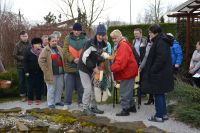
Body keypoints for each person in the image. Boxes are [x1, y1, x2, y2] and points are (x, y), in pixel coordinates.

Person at [141, 24, 174, 122]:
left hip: (159, 74)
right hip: (161, 73)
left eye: (150, 32)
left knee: (158, 94)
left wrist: (152, 70)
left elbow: (161, 59)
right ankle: (163, 114)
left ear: (155, 32)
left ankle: (159, 116)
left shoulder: (160, 41)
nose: (149, 34)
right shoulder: (160, 40)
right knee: (160, 94)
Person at [78, 24, 107, 116]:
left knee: (95, 88)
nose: (101, 36)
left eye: (103, 35)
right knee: (87, 88)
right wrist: (94, 68)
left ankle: (93, 107)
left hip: (93, 69)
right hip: (83, 68)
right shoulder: (89, 43)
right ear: (96, 34)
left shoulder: (103, 44)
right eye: (99, 34)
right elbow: (84, 57)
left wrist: (100, 66)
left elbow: (100, 57)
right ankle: (84, 108)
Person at [109, 29, 138, 116]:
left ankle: (125, 110)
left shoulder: (123, 46)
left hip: (127, 72)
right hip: (129, 71)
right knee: (128, 90)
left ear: (120, 36)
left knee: (124, 91)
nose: (114, 40)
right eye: (112, 39)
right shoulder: (122, 44)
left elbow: (120, 62)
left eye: (115, 38)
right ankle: (132, 107)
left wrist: (111, 68)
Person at [63, 22, 87, 109]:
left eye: (79, 30)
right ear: (73, 30)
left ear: (81, 31)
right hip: (70, 67)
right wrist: (73, 59)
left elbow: (87, 51)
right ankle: (67, 103)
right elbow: (65, 51)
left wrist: (80, 60)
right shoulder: (67, 38)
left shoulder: (85, 39)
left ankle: (80, 102)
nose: (77, 32)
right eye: (75, 30)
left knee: (81, 87)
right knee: (68, 87)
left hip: (81, 67)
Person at [38, 34, 65, 109]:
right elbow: (41, 60)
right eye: (53, 41)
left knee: (59, 88)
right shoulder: (46, 50)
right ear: (49, 42)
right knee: (51, 88)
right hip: (51, 73)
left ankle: (57, 101)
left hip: (60, 72)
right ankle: (50, 103)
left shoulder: (59, 48)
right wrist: (45, 70)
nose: (55, 42)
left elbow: (63, 58)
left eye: (56, 41)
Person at [24, 38, 43, 105]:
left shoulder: (43, 51)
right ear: (33, 45)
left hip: (40, 72)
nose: (39, 45)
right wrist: (26, 71)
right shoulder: (28, 51)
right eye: (37, 44)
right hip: (30, 72)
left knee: (39, 86)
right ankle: (30, 99)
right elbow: (25, 62)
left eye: (40, 44)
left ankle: (38, 99)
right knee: (30, 86)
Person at [13, 30, 30, 102]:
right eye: (23, 36)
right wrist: (22, 58)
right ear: (20, 37)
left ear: (27, 36)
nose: (25, 37)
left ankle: (30, 95)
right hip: (20, 66)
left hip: (29, 66)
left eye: (26, 36)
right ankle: (23, 95)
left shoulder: (30, 44)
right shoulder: (17, 45)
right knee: (21, 81)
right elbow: (14, 54)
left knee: (29, 81)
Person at [139, 36, 154, 105]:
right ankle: (151, 99)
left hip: (154, 66)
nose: (150, 38)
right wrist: (141, 66)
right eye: (149, 37)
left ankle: (152, 99)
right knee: (150, 83)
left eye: (151, 36)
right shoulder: (148, 44)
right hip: (148, 66)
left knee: (153, 83)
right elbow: (145, 56)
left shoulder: (156, 44)